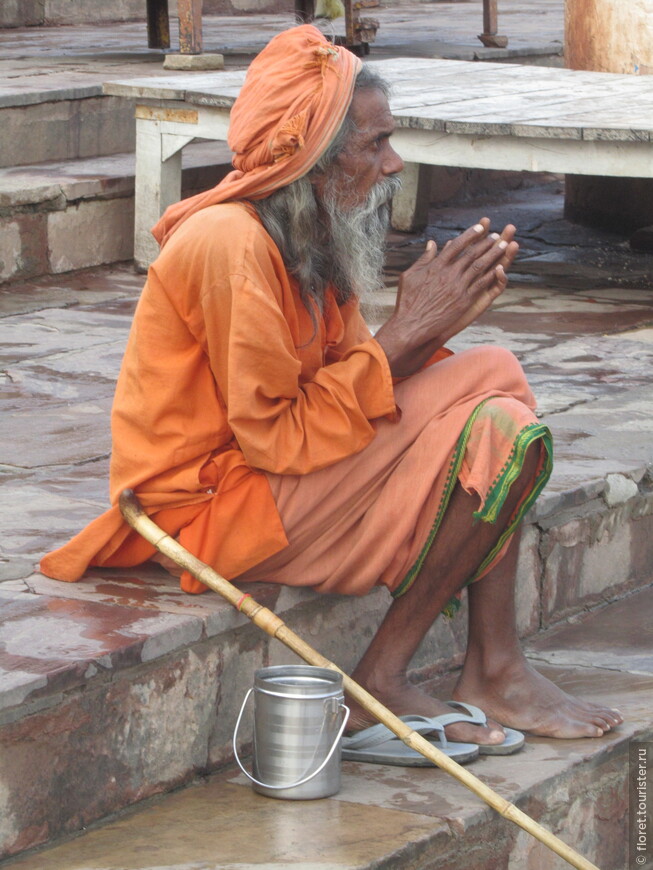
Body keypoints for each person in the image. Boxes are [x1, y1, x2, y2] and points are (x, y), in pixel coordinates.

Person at [41, 24, 622, 754]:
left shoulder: (306, 231)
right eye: (372, 144)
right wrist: (405, 338)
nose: (392, 164)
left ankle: (479, 668)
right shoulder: (228, 244)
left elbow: (350, 388)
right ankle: (449, 671)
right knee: (491, 379)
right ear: (308, 156)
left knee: (497, 422)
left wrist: (422, 335)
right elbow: (279, 437)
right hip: (208, 511)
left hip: (280, 482)